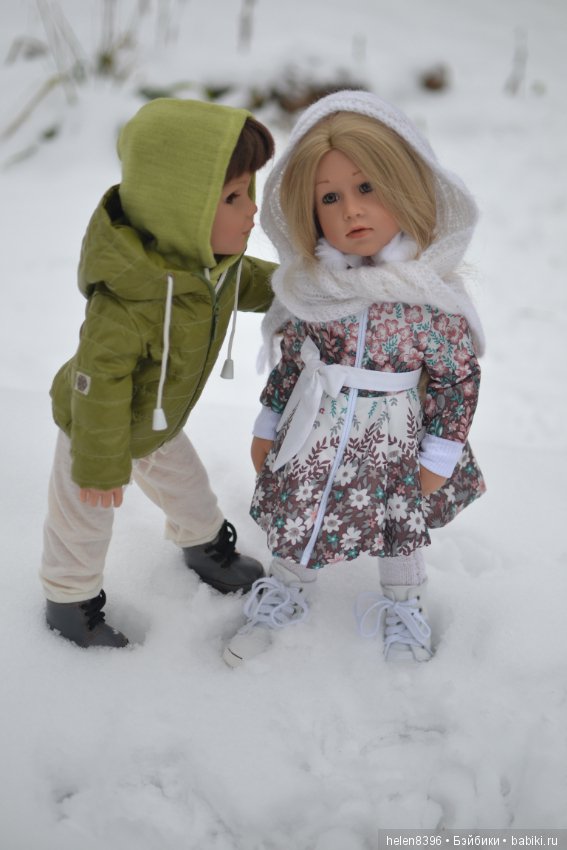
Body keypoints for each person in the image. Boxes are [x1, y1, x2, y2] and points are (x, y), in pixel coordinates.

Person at [223, 89, 486, 667]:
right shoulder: (313, 291)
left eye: (367, 188)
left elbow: (456, 379)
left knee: (400, 526)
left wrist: (440, 452)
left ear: (405, 186)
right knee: (301, 509)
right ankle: (285, 589)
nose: (351, 211)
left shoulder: (429, 298)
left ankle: (404, 606)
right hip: (313, 428)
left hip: (393, 442)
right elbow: (293, 364)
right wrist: (269, 420)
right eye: (331, 198)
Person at [41, 97, 277, 648]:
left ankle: (203, 546)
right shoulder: (124, 304)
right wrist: (100, 466)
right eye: (234, 198)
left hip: (157, 420)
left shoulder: (208, 268)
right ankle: (69, 603)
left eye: (249, 192)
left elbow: (252, 282)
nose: (252, 211)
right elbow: (97, 384)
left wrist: (299, 288)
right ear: (182, 209)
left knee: (190, 492)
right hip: (93, 431)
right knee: (81, 526)